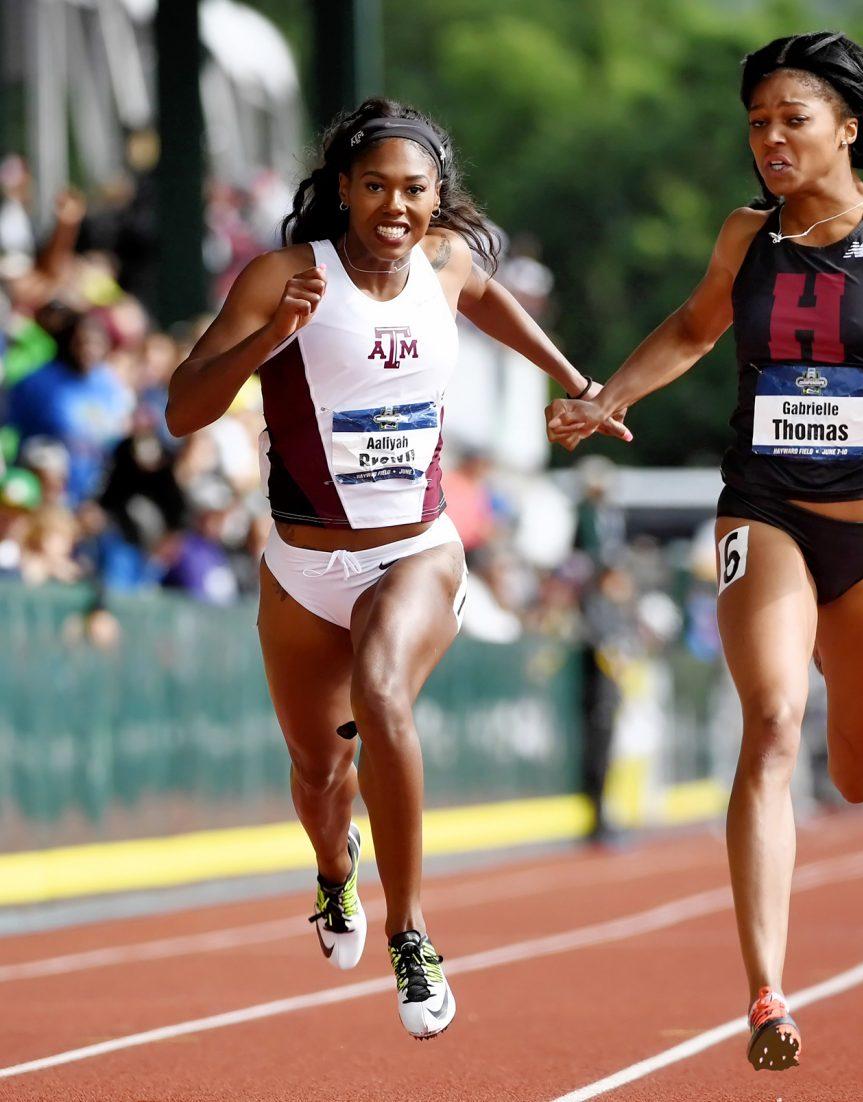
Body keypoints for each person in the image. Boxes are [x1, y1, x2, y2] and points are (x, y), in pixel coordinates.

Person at [545, 31, 863, 1072]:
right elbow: (692, 325)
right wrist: (606, 398)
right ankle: (765, 992)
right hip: (764, 512)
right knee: (769, 721)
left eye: (791, 120)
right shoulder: (743, 235)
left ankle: (844, 671)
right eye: (757, 122)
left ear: (845, 129)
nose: (769, 139)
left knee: (855, 774)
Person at [166, 99, 627, 1040]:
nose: (395, 207)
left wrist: (574, 380)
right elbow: (182, 410)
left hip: (416, 548)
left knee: (381, 696)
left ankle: (411, 934)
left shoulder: (447, 261)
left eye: (414, 191)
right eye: (374, 186)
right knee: (315, 768)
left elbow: (487, 297)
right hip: (302, 562)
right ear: (342, 188)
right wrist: (267, 344)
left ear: (437, 199)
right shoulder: (286, 276)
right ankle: (337, 871)